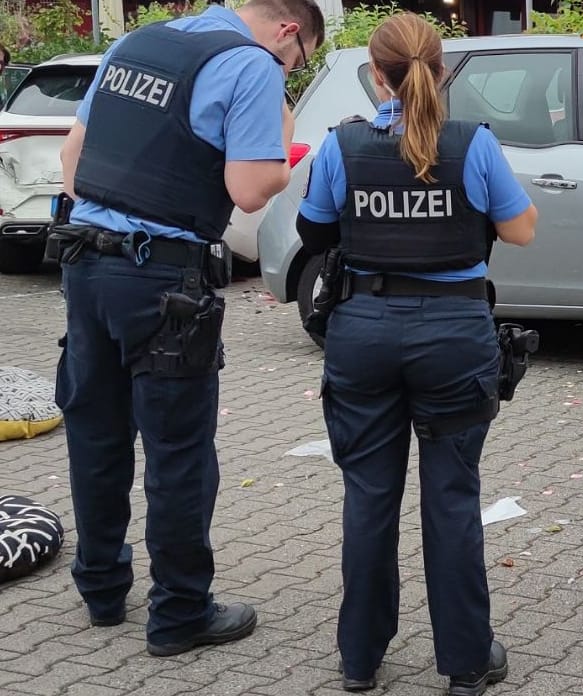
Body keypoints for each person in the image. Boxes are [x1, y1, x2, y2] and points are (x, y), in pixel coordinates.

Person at [54, 0, 324, 657]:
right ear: (288, 29)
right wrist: (285, 139)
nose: (289, 70)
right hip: (163, 285)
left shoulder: (139, 43)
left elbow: (73, 158)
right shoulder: (250, 66)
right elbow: (252, 187)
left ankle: (101, 590)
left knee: (97, 435)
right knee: (177, 455)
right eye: (299, 60)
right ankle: (179, 615)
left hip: (85, 266)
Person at [294, 12, 537, 695]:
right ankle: (465, 663)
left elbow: (313, 235)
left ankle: (360, 661)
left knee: (369, 496)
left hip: (364, 332)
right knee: (452, 498)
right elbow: (521, 231)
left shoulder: (343, 147)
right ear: (441, 71)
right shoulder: (475, 144)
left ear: (377, 76)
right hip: (453, 338)